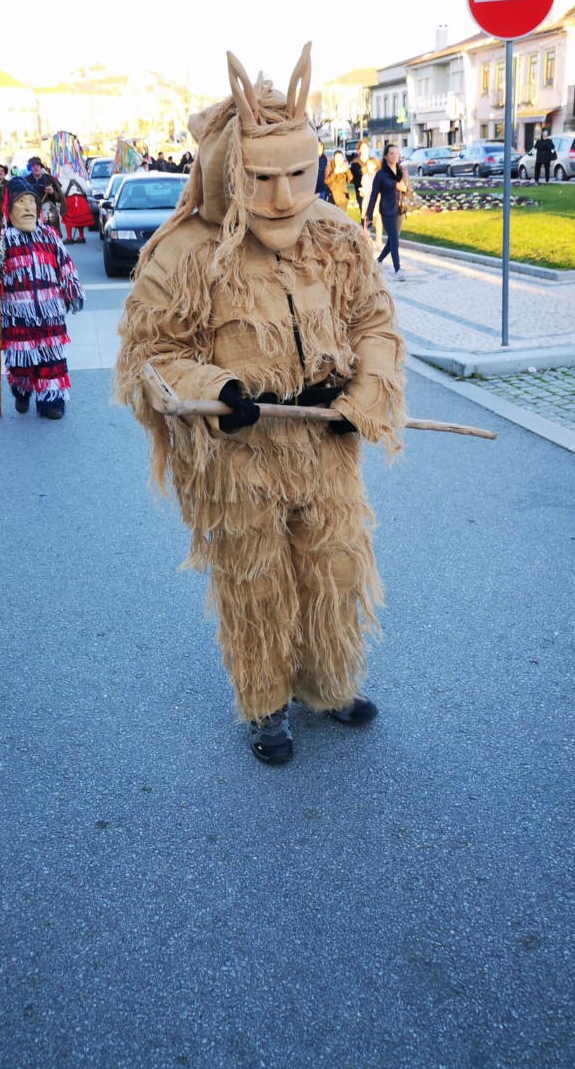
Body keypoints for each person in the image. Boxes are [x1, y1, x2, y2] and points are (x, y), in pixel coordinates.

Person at [115, 45, 405, 765]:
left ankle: (329, 682)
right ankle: (264, 702)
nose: (282, 198)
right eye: (262, 178)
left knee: (335, 566)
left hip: (327, 442)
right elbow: (150, 356)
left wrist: (363, 391)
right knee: (258, 581)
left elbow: (374, 322)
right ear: (227, 174)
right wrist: (219, 391)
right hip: (240, 451)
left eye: (297, 176)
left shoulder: (337, 237)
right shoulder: (186, 252)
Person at [0, 177, 84, 419]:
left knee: (52, 360)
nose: (27, 208)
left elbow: (65, 264)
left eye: (31, 202)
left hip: (50, 315)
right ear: (8, 208)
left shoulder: (49, 235)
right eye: (20, 202)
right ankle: (22, 391)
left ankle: (51, 402)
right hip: (17, 316)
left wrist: (71, 290)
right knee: (21, 363)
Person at [366, 143, 408, 281]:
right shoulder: (381, 175)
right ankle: (398, 270)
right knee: (394, 238)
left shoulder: (401, 171)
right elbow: (373, 195)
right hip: (387, 211)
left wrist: (404, 187)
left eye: (396, 153)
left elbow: (407, 190)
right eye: (391, 153)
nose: (395, 156)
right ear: (385, 156)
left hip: (400, 210)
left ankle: (379, 260)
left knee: (392, 240)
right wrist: (369, 215)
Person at [26, 156, 68, 232]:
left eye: (37, 165)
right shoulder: (25, 180)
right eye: (33, 165)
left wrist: (53, 192)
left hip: (50, 215)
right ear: (30, 168)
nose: (35, 167)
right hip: (31, 214)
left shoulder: (50, 179)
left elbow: (60, 198)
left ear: (41, 167)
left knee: (51, 239)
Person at [350, 152, 363, 219]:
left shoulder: (371, 161)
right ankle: (365, 226)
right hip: (359, 188)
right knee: (362, 207)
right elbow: (351, 177)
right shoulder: (355, 163)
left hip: (370, 189)